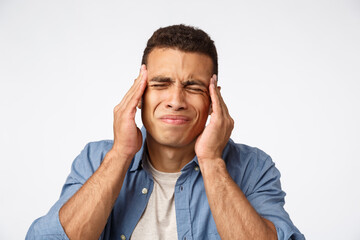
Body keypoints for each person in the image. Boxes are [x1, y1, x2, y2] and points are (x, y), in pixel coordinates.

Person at [26, 24, 305, 240]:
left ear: (213, 102)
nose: (176, 100)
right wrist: (121, 155)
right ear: (139, 93)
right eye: (161, 83)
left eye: (194, 87)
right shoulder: (96, 159)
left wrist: (211, 162)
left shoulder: (253, 168)